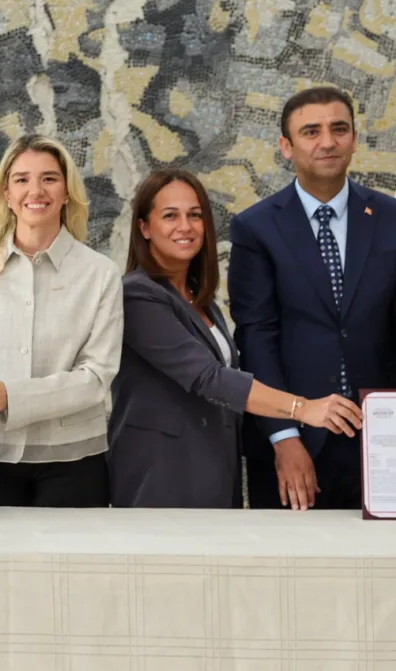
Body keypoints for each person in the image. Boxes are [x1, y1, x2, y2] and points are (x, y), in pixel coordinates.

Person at [110, 169, 362, 508]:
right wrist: (302, 409)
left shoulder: (200, 299)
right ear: (144, 228)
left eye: (195, 215)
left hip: (214, 470)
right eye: (170, 216)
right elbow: (209, 377)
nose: (185, 226)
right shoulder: (136, 295)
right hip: (160, 475)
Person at [229, 86, 396, 511]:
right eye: (311, 132)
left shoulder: (390, 218)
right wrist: (283, 437)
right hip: (295, 443)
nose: (327, 142)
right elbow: (256, 338)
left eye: (339, 129)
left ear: (354, 140)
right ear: (286, 146)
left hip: (381, 440)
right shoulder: (256, 229)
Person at [0, 134, 121, 507]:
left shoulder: (101, 274)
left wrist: (13, 396)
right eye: (22, 179)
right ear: (6, 193)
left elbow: (96, 377)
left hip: (72, 458)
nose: (35, 190)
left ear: (66, 191)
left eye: (49, 178)